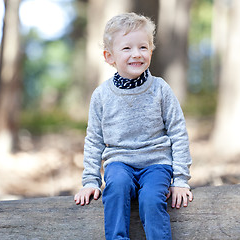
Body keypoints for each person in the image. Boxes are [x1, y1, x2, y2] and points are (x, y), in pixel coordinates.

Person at [74, 12, 193, 240]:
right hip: (120, 162)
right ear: (109, 57)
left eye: (143, 47)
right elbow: (94, 139)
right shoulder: (101, 95)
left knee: (150, 198)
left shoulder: (160, 89)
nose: (136, 54)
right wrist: (90, 180)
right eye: (126, 49)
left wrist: (180, 180)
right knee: (116, 187)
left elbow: (178, 132)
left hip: (156, 163)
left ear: (151, 50)